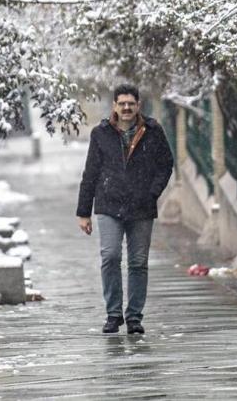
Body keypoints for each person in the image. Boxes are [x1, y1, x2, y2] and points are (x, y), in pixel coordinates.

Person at [76, 84, 174, 334]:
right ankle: (113, 314)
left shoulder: (152, 131)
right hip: (109, 204)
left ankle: (134, 317)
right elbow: (91, 172)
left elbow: (166, 164)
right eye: (122, 104)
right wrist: (83, 211)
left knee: (138, 262)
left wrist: (152, 192)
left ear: (138, 105)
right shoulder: (101, 133)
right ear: (115, 106)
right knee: (110, 257)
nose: (127, 108)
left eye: (131, 103)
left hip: (142, 207)